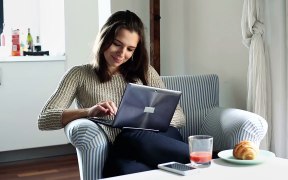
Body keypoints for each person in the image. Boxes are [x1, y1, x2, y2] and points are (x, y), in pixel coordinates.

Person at [38, 10, 189, 177]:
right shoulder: (79, 74)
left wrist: (150, 122)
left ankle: (203, 158)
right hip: (123, 150)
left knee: (133, 136)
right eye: (117, 44)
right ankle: (202, 160)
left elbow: (179, 115)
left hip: (159, 139)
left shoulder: (145, 72)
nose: (122, 53)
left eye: (130, 49)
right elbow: (45, 119)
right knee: (120, 170)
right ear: (105, 38)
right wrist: (88, 112)